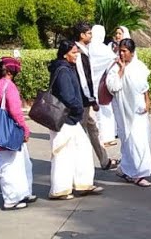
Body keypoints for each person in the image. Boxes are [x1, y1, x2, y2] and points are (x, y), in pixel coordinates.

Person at [46, 39, 103, 200]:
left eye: (77, 51)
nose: (76, 55)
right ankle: (59, 190)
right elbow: (67, 95)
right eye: (73, 52)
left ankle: (83, 184)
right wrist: (78, 108)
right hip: (65, 119)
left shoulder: (65, 68)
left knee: (82, 148)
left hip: (71, 119)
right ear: (65, 54)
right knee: (63, 153)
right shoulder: (63, 70)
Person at [0, 56, 36, 210]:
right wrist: (25, 128)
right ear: (11, 70)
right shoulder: (10, 86)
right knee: (11, 165)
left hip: (0, 130)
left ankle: (22, 193)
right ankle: (11, 199)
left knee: (19, 162)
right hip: (10, 131)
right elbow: (15, 111)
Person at [106, 37, 151, 187]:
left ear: (132, 53)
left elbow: (145, 88)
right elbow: (113, 87)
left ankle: (131, 170)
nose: (121, 54)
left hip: (140, 112)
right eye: (120, 51)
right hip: (124, 112)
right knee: (130, 141)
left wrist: (147, 102)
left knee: (141, 141)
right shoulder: (114, 67)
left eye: (124, 51)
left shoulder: (139, 66)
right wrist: (121, 70)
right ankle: (136, 174)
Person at [71, 23, 118, 171]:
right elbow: (83, 79)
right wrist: (91, 99)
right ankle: (80, 167)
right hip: (83, 100)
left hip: (86, 98)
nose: (91, 36)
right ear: (82, 35)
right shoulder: (77, 52)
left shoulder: (86, 50)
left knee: (93, 129)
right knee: (81, 134)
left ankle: (104, 160)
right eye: (89, 33)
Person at [87, 24, 118, 146]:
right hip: (102, 86)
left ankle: (96, 137)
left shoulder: (88, 48)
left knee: (93, 112)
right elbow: (115, 59)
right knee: (105, 111)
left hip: (90, 86)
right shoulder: (104, 50)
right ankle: (107, 137)